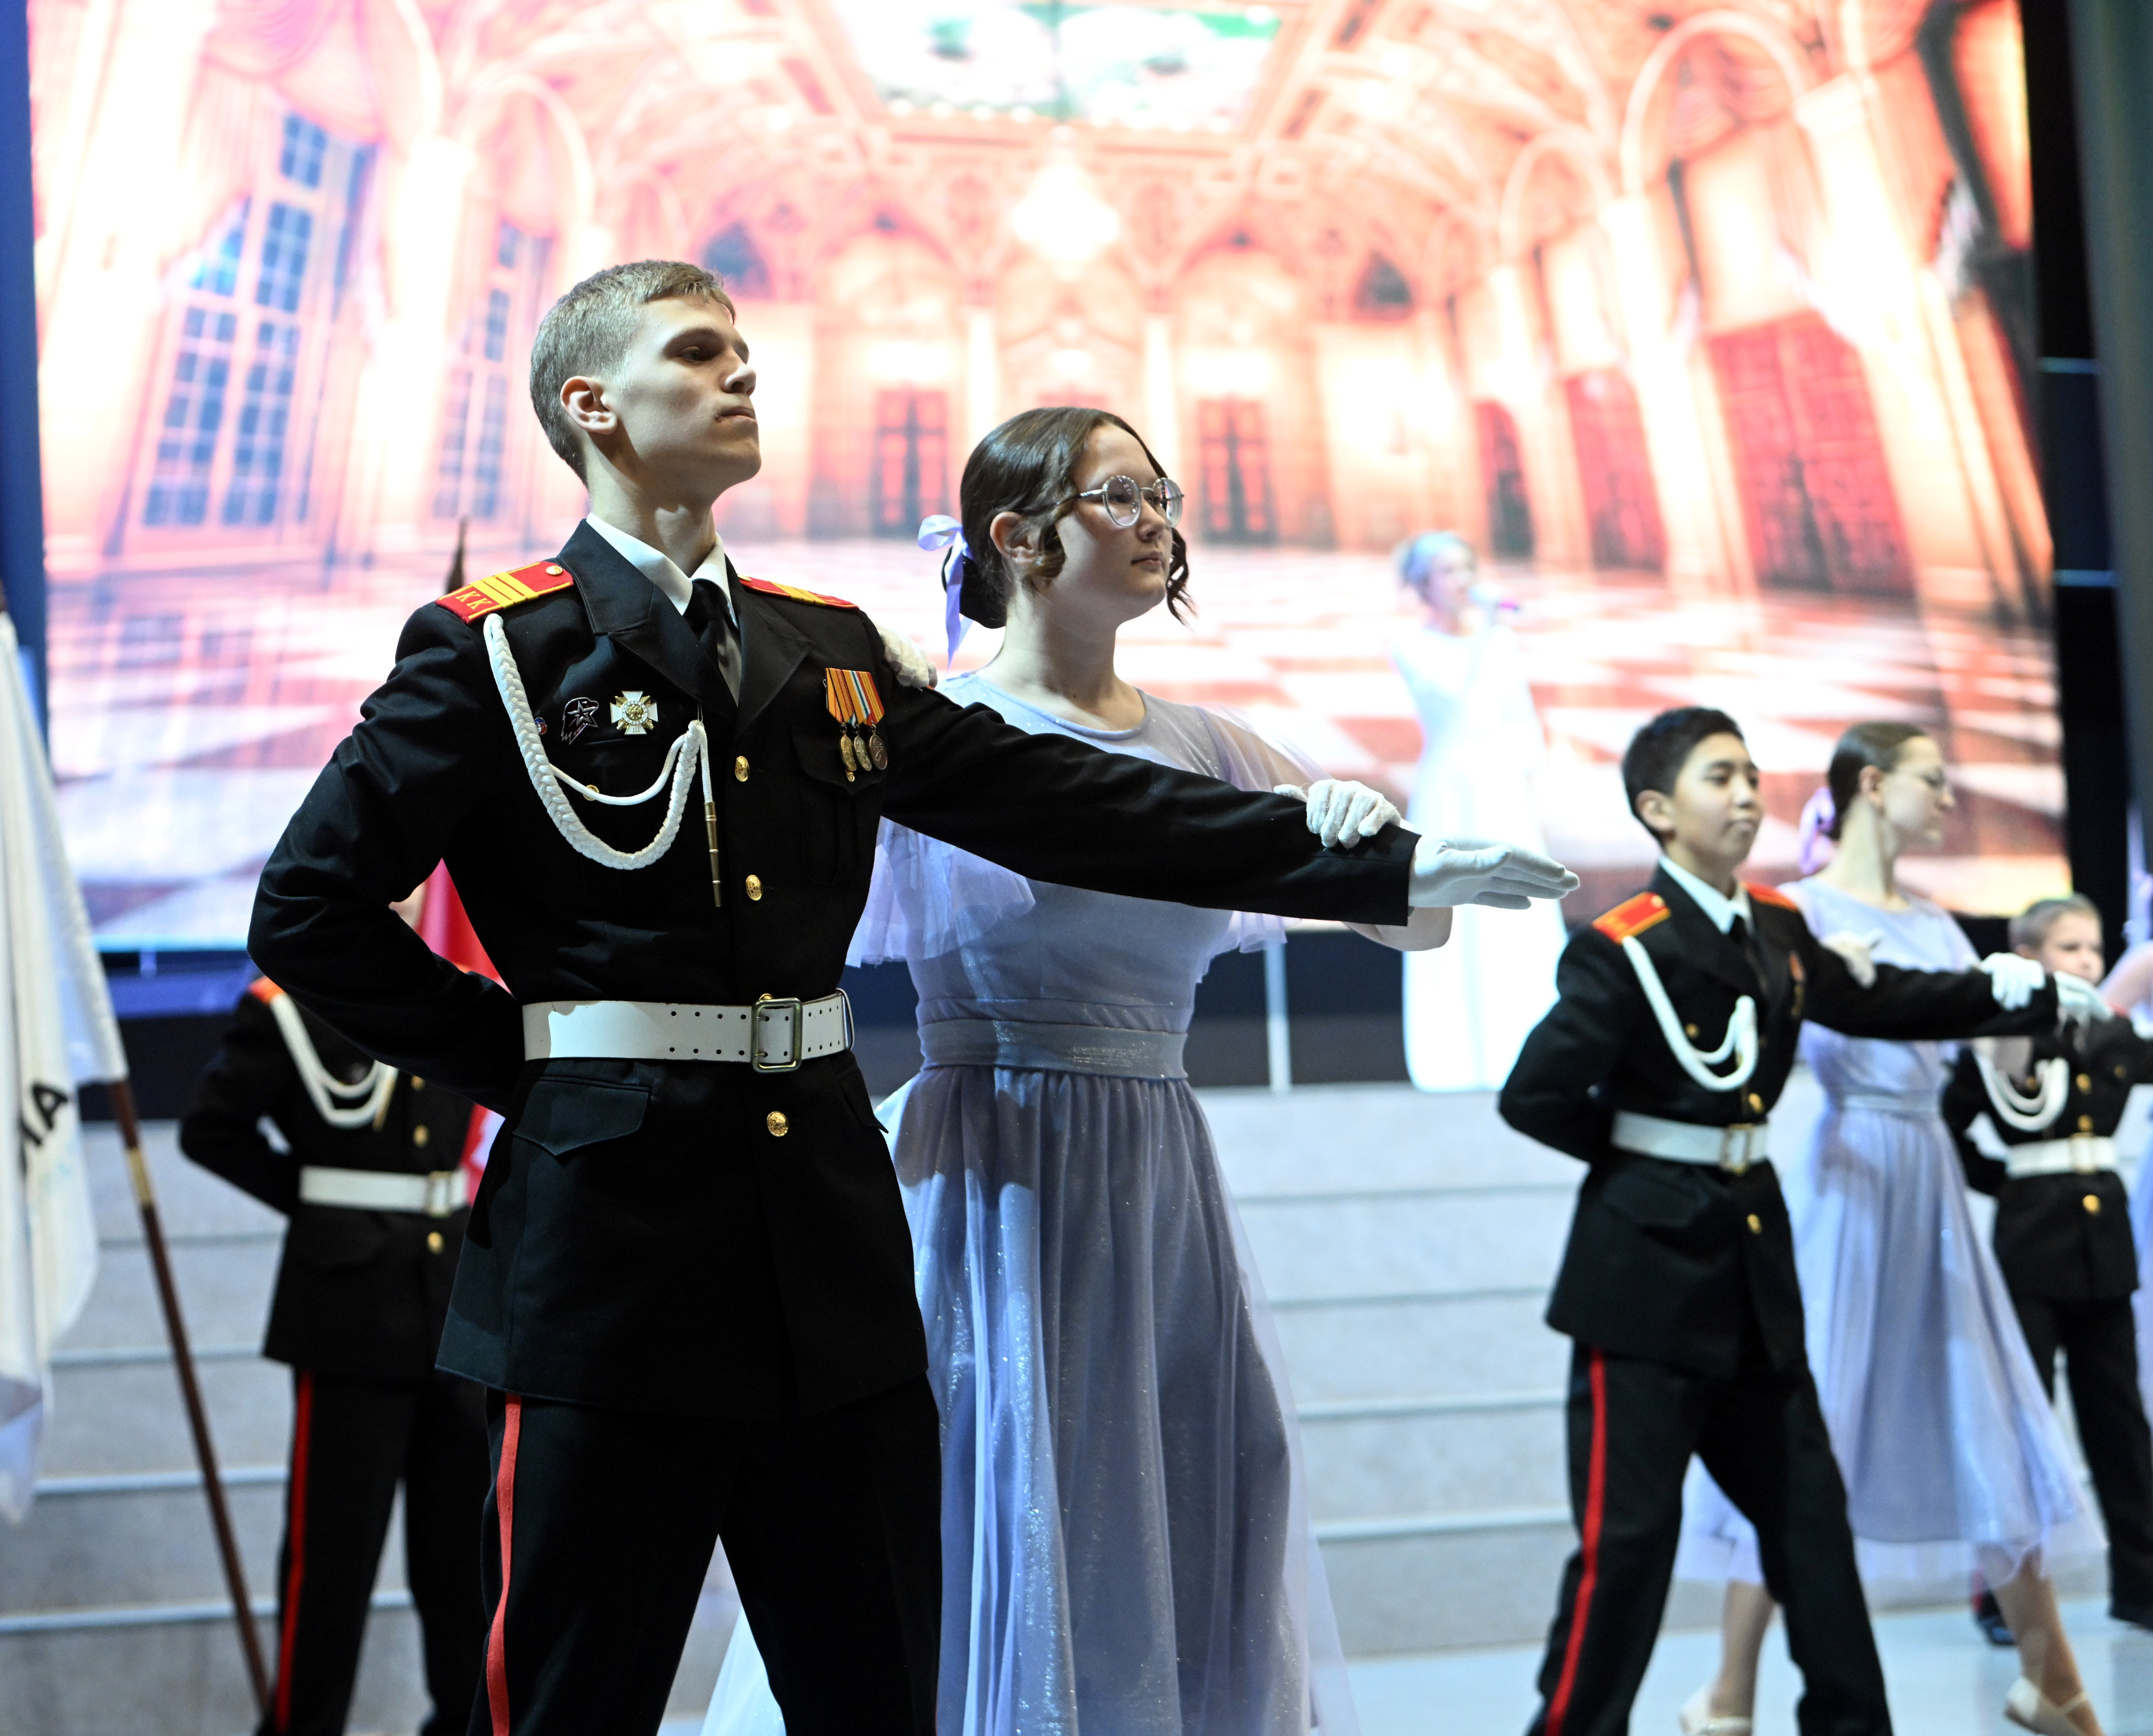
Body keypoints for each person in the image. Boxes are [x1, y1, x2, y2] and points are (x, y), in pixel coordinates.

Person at [247, 258, 1576, 1736]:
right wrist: (538, 1065)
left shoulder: (820, 650)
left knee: (882, 1688)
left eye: (743, 350)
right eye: (698, 353)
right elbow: (306, 908)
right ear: (593, 404)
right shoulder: (500, 649)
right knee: (580, 1693)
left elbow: (1062, 802)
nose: (742, 373)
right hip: (611, 1246)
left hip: (826, 1237)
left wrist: (1379, 865)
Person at [698, 407, 1445, 1736]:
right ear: (1017, 535)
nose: (1156, 520)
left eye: (1163, 494)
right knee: (984, 1496)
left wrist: (1356, 826)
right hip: (988, 1165)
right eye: (1119, 496)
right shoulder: (939, 735)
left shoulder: (1212, 746)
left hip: (1157, 1173)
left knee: (1182, 1495)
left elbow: (1420, 923)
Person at [1498, 708, 2092, 1736]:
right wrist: (1655, 1169)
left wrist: (2024, 998)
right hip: (1643, 1282)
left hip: (1754, 1277)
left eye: (1750, 774)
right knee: (1627, 1546)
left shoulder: (1775, 926)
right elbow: (1534, 1096)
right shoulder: (1624, 943)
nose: (1745, 795)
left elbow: (1883, 1000)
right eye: (1719, 776)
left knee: (1813, 1533)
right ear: (1657, 809)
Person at [1673, 722, 2108, 1736]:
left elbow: (1998, 1070)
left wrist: (2027, 1007)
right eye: (1932, 779)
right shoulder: (1801, 912)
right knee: (1809, 1420)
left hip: (1931, 1180)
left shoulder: (1941, 925)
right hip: (1851, 1174)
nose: (1949, 797)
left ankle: (2051, 1675)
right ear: (1874, 786)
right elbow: (1763, 1043)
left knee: (1987, 1407)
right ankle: (1729, 1688)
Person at [181, 976, 487, 1736]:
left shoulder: (460, 996)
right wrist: (324, 1207)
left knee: (461, 1566)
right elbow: (210, 1129)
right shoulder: (289, 1009)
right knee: (331, 1567)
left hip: (455, 1309)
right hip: (353, 1316)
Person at [1943, 894, 2153, 1637]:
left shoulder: (2112, 1035)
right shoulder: (2005, 1040)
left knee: (2120, 1424)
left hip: (2103, 1249)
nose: (2088, 961)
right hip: (2032, 1245)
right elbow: (1952, 1122)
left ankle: (2141, 1585)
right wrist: (2003, 1184)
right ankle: (2002, 1596)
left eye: (2094, 948)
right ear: (2028, 957)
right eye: (2069, 947)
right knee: (2019, 1427)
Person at [1388, 531, 1564, 1090]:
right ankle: (1461, 1058)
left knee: (1520, 906)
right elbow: (1452, 697)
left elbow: (1519, 716)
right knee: (1458, 908)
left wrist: (1531, 781)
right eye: (1448, 571)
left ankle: (1532, 1051)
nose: (1463, 581)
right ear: (1423, 585)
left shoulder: (1499, 640)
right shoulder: (1411, 644)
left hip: (1502, 789)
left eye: (1467, 568)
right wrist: (1488, 631)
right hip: (1451, 791)